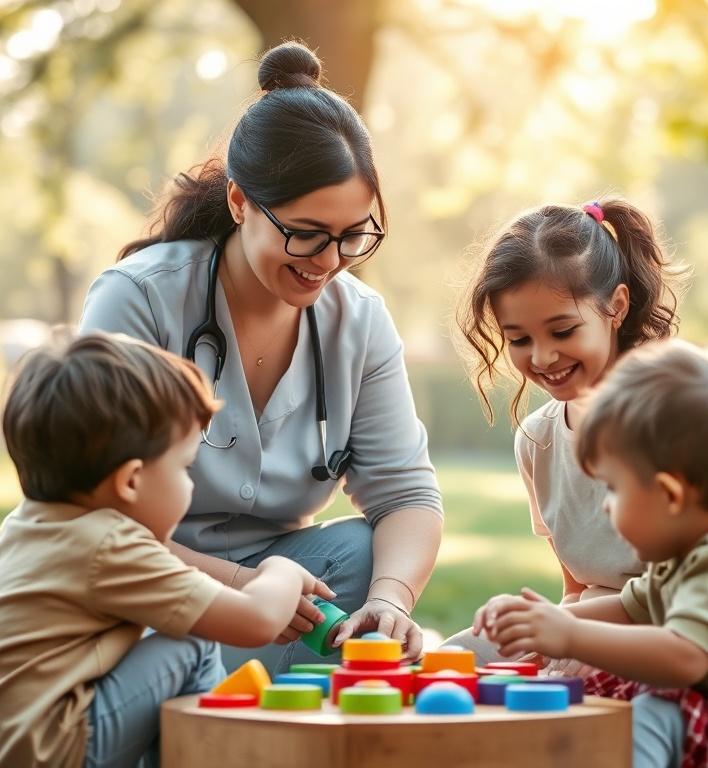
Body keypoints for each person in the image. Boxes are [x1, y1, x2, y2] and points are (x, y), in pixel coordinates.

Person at [79, 41, 443, 674]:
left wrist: (390, 600)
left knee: (364, 554)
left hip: (275, 596)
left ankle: (237, 693)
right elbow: (92, 517)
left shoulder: (359, 321)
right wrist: (247, 588)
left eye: (352, 235)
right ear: (240, 202)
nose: (329, 261)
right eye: (305, 233)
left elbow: (405, 493)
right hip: (146, 584)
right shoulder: (139, 299)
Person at [0, 332, 334, 768]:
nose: (189, 485)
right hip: (52, 752)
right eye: (184, 467)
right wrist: (280, 570)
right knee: (191, 645)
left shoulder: (36, 523)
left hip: (5, 750)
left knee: (163, 632)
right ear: (131, 481)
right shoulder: (110, 544)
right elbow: (256, 620)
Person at [474, 340, 708, 767]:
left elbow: (683, 658)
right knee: (614, 686)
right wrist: (545, 619)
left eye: (614, 489)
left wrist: (568, 636)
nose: (606, 507)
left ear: (669, 494)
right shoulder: (697, 551)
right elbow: (629, 609)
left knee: (659, 702)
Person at [445, 198, 686, 670]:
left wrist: (568, 634)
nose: (542, 357)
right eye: (519, 339)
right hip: (582, 628)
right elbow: (574, 589)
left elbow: (689, 591)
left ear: (616, 307)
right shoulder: (538, 441)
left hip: (670, 634)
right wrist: (548, 636)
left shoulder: (672, 420)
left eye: (562, 331)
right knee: (456, 659)